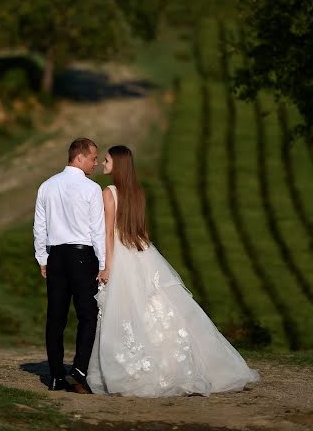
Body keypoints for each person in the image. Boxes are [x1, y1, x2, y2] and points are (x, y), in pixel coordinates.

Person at [87, 145, 259, 397]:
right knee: (156, 307)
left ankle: (132, 367)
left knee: (124, 310)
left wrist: (106, 266)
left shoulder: (109, 192)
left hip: (121, 255)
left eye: (107, 159)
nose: (103, 163)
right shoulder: (138, 192)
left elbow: (108, 233)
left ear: (118, 164)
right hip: (141, 252)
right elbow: (141, 232)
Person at [33, 138, 105, 393]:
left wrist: (43, 258)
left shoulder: (46, 186)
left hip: (56, 257)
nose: (96, 163)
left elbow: (39, 226)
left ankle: (55, 376)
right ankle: (78, 369)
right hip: (83, 255)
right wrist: (104, 264)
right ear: (79, 158)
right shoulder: (91, 189)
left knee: (56, 317)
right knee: (88, 314)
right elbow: (98, 230)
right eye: (94, 158)